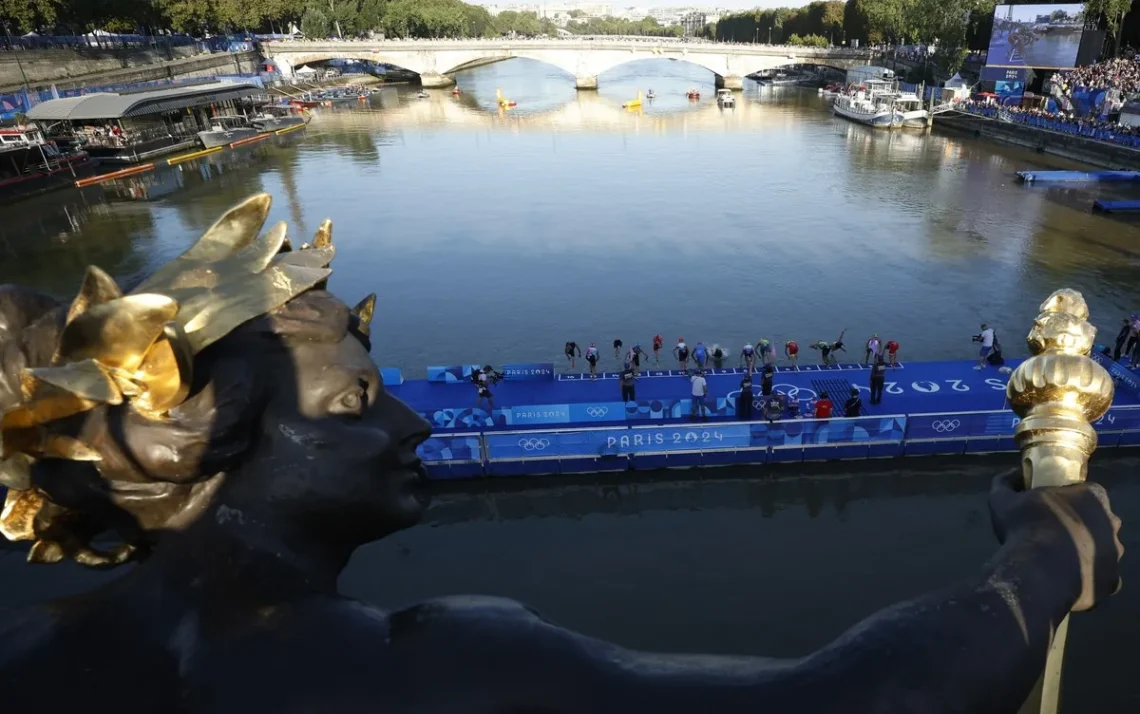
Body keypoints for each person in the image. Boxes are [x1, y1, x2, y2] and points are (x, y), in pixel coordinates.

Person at [0, 194, 1125, 714]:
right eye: (354, 400)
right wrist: (1037, 563)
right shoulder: (429, 666)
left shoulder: (32, 658)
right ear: (205, 439)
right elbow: (852, 701)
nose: (414, 422)